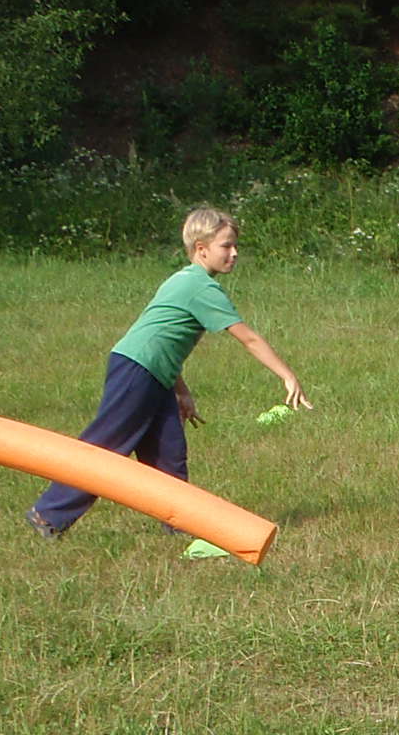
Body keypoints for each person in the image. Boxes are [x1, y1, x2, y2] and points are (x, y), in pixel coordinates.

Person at [27, 206, 309, 541]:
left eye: (235, 245)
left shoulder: (185, 279)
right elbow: (247, 338)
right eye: (226, 246)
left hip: (154, 372)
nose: (234, 253)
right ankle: (48, 514)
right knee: (106, 447)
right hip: (136, 369)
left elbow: (164, 342)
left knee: (167, 452)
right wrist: (287, 375)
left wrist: (181, 391)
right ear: (201, 249)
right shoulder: (201, 287)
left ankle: (179, 523)